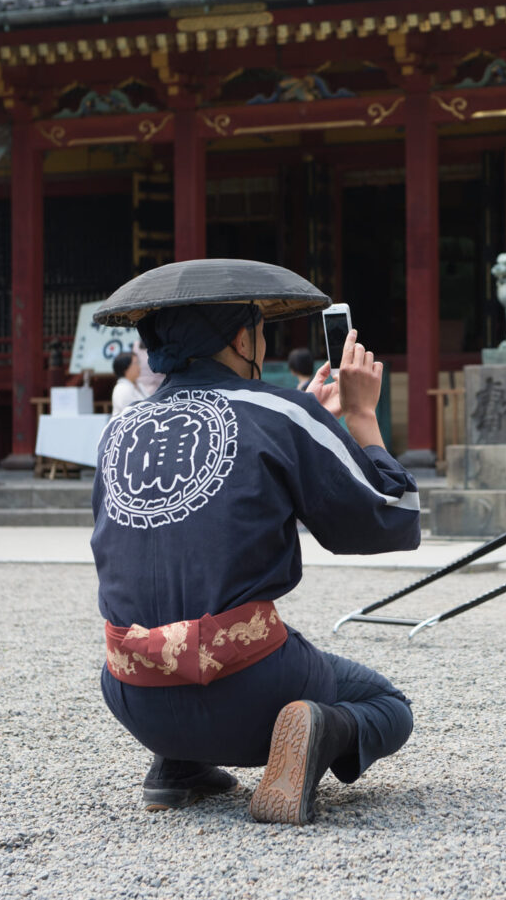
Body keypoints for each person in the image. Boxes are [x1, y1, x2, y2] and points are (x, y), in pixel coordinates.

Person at [91, 259, 421, 825]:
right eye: (261, 331)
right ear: (243, 337)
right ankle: (314, 734)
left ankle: (177, 765)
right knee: (386, 705)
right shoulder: (278, 411)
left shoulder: (118, 430)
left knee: (169, 603)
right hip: (251, 696)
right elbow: (390, 520)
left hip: (132, 692)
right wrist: (362, 417)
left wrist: (307, 416)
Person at [109, 351, 147, 416]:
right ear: (125, 368)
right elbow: (130, 414)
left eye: (138, 363)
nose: (139, 366)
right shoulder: (122, 389)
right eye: (136, 363)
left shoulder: (139, 385)